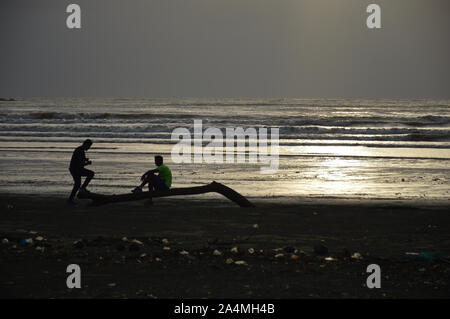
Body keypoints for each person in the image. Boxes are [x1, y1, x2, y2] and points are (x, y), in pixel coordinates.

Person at [67, 139, 95, 205]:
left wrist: (85, 160)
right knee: (91, 174)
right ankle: (83, 188)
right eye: (89, 146)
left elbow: (79, 160)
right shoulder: (80, 151)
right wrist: (87, 163)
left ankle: (70, 200)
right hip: (76, 169)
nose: (89, 148)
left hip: (73, 168)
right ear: (86, 144)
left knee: (77, 184)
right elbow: (80, 163)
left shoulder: (79, 149)